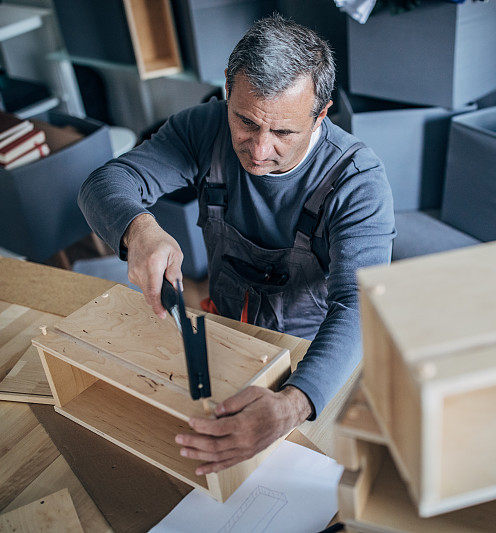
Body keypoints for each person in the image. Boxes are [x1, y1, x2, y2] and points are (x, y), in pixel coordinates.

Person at [78, 15, 395, 476]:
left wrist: (292, 404)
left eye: (283, 132)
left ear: (320, 113)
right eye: (245, 121)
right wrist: (139, 229)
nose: (259, 149)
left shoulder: (358, 183)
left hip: (317, 358)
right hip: (226, 333)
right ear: (228, 89)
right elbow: (105, 183)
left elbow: (360, 306)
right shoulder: (204, 129)